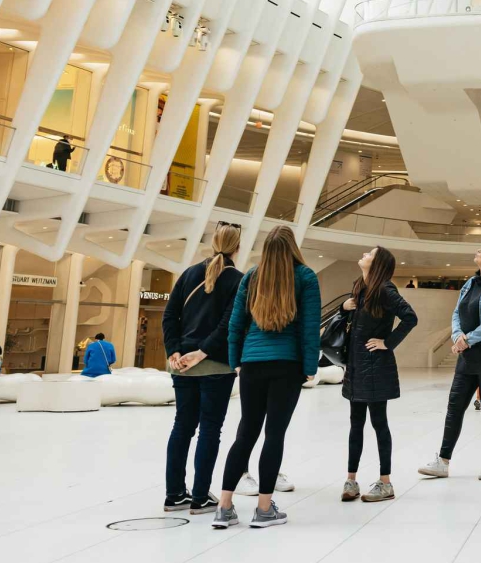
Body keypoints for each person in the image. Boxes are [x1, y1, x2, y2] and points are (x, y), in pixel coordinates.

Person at [211, 225, 320, 529]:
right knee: (274, 434)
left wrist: (236, 362)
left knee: (245, 433)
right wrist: (310, 366)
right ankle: (263, 510)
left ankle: (225, 506)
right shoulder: (306, 277)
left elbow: (235, 324)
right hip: (287, 365)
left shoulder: (251, 276)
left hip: (252, 364)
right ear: (292, 247)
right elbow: (310, 329)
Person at [163, 223, 245, 515]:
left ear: (212, 243)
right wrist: (204, 352)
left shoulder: (189, 274)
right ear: (238, 247)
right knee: (210, 429)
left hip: (182, 366)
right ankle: (200, 497)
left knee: (182, 426)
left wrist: (175, 350)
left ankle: (174, 495)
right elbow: (229, 323)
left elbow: (170, 315)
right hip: (216, 366)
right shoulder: (238, 280)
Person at [420, 242, 481, 480]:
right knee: (455, 404)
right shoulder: (469, 283)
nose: (479, 250)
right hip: (469, 354)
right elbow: (456, 313)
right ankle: (442, 460)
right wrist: (456, 335)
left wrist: (468, 339)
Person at [342, 246, 418, 503]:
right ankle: (351, 479)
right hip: (355, 366)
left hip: (375, 367)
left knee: (378, 424)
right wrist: (344, 308)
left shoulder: (385, 289)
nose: (364, 254)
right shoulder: (359, 287)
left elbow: (410, 317)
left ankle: (386, 482)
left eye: (370, 253)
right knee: (355, 425)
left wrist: (388, 341)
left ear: (378, 263)